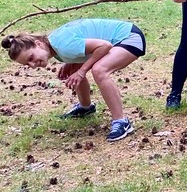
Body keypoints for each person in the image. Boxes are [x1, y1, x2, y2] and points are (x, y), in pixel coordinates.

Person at [1, 18, 145, 142]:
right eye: (27, 64)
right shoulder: (54, 45)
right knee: (74, 70)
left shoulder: (62, 44)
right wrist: (72, 64)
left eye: (31, 57)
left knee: (99, 70)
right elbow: (87, 46)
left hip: (129, 37)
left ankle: (121, 121)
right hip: (119, 38)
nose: (32, 65)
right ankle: (86, 108)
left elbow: (104, 46)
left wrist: (81, 71)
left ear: (38, 43)